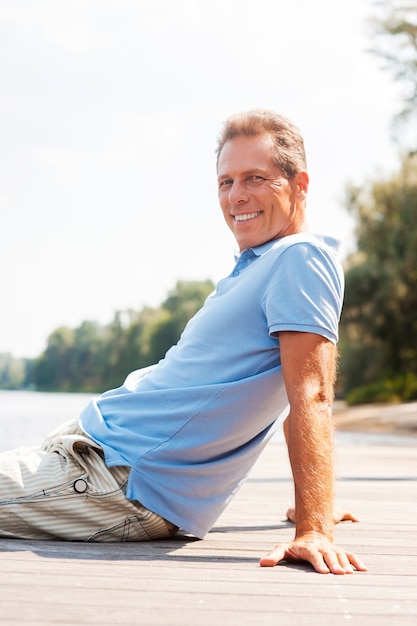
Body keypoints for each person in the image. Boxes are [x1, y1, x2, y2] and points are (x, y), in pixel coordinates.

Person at [0, 109, 367, 575]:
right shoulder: (262, 263)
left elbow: (310, 394)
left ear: (300, 184)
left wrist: (315, 527)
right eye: (226, 182)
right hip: (94, 454)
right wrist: (312, 499)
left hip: (117, 479)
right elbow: (257, 391)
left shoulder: (301, 259)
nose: (237, 196)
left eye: (255, 178)